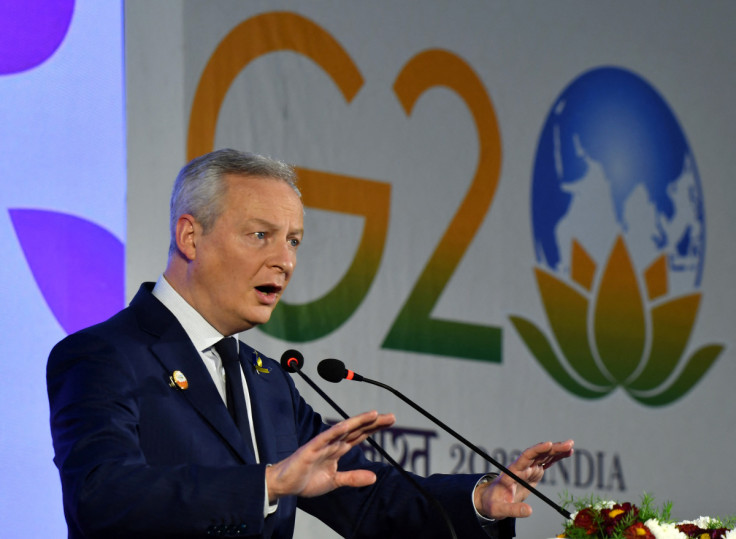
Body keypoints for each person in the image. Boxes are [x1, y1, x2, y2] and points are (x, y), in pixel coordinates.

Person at [47, 149, 574, 538]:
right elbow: (102, 497)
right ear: (190, 237)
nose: (286, 261)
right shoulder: (104, 356)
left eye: (293, 240)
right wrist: (268, 485)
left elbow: (369, 498)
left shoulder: (268, 381)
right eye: (260, 235)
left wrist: (482, 498)